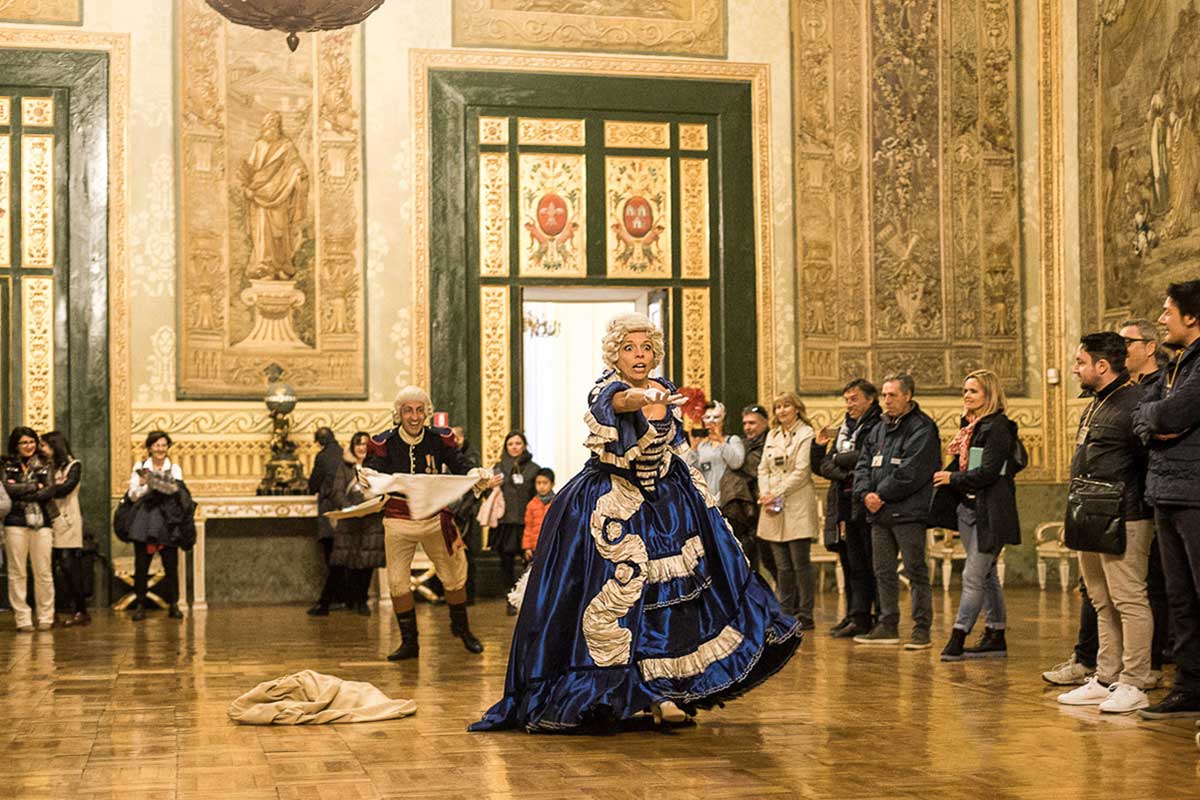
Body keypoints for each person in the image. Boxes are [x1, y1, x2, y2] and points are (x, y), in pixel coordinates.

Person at [470, 313, 801, 732]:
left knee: (673, 603)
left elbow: (676, 445)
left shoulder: (667, 389)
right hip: (611, 504)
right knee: (617, 602)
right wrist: (643, 399)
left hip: (667, 503)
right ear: (615, 353)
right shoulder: (607, 388)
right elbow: (618, 403)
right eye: (629, 348)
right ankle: (618, 693)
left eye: (645, 348)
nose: (639, 355)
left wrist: (700, 498)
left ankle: (663, 691)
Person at [365, 386, 499, 661]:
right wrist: (367, 478)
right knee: (398, 582)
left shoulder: (439, 440)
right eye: (408, 410)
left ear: (426, 412)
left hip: (435, 519)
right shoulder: (385, 443)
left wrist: (476, 474)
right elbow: (372, 473)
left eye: (419, 410)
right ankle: (409, 642)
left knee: (454, 575)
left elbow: (460, 465)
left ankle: (461, 629)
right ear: (398, 414)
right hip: (398, 520)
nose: (414, 417)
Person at [1057, 332, 1153, 713]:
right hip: (1089, 513)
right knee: (1101, 600)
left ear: (1102, 365)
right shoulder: (1097, 402)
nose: (1075, 368)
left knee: (1129, 598)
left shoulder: (1135, 402)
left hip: (1125, 514)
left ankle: (1135, 680)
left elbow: (1146, 462)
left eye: (1081, 362)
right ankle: (1106, 676)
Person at [1134, 280, 1200, 719]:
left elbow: (1175, 413)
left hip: (1195, 493)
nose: (1161, 320)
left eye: (1167, 312)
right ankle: (1190, 686)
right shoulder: (1173, 366)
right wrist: (1156, 421)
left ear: (1191, 316)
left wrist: (1160, 419)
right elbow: (1143, 414)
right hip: (1164, 490)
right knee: (1179, 599)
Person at [931, 370, 1021, 661]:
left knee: (972, 575)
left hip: (990, 513)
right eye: (965, 391)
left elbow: (988, 472)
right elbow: (963, 465)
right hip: (967, 511)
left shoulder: (999, 428)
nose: (967, 396)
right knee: (988, 574)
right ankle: (996, 633)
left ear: (989, 395)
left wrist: (952, 478)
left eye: (974, 391)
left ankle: (958, 635)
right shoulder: (967, 427)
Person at [852, 374, 940, 649]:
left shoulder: (923, 428)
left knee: (915, 571)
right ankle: (888, 625)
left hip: (908, 512)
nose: (886, 400)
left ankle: (921, 628)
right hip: (878, 514)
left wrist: (881, 494)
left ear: (907, 396)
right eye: (884, 395)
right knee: (883, 571)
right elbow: (863, 464)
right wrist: (865, 493)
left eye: (892, 395)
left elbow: (913, 471)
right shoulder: (878, 429)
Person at [1120, 318, 1172, 682]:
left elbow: (1150, 434)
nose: (1121, 349)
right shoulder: (1125, 387)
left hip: (1152, 496)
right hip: (1131, 496)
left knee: (1153, 586)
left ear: (1149, 347)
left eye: (1127, 342)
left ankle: (1151, 664)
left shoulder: (1163, 384)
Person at [812, 379, 883, 638]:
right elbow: (823, 465)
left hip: (865, 502)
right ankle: (856, 614)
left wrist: (837, 461)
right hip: (844, 502)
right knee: (852, 562)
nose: (849, 404)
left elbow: (866, 457)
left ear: (870, 400)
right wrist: (840, 466)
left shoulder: (877, 425)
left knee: (869, 563)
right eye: (846, 399)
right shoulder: (845, 428)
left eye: (854, 399)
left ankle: (875, 616)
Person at [756, 391, 820, 631]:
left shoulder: (806, 434)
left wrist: (777, 492)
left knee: (800, 562)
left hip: (796, 504)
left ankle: (806, 613)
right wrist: (765, 493)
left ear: (797, 408)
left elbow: (801, 472)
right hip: (772, 505)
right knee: (781, 564)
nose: (781, 411)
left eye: (786, 406)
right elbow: (763, 468)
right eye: (778, 407)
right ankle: (786, 610)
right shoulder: (772, 435)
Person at [127, 431, 192, 621]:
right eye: (156, 445)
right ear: (149, 448)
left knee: (171, 565)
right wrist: (147, 485)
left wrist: (152, 481)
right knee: (141, 565)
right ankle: (140, 604)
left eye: (164, 445)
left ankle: (173, 604)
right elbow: (133, 495)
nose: (160, 449)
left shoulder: (175, 468)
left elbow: (174, 490)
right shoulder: (139, 467)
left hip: (167, 522)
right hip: (145, 521)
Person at [326, 431, 385, 615]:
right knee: (349, 561)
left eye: (365, 444)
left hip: (372, 522)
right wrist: (349, 508)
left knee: (367, 562)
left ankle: (362, 600)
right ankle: (350, 600)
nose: (362, 448)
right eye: (358, 444)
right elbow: (337, 491)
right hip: (350, 522)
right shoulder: (344, 467)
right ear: (353, 447)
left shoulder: (377, 467)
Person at [3, 427, 55, 632]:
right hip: (15, 520)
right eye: (24, 443)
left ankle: (45, 616)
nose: (29, 446)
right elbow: (7, 489)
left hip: (42, 522)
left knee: (43, 571)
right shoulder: (7, 465)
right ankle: (22, 618)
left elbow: (49, 490)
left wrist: (22, 489)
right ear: (16, 445)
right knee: (17, 572)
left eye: (32, 442)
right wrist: (35, 486)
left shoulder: (46, 464)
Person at [42, 431, 90, 627]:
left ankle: (81, 610)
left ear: (54, 446)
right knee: (48, 568)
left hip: (67, 520)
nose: (41, 449)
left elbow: (65, 489)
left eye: (44, 445)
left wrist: (43, 488)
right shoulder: (45, 466)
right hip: (47, 520)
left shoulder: (74, 466)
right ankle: (50, 611)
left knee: (69, 566)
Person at [491, 431, 541, 613]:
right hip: (504, 523)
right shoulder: (497, 468)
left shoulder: (534, 469)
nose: (514, 447)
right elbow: (489, 495)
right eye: (510, 444)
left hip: (526, 523)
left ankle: (527, 599)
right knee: (506, 563)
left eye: (518, 443)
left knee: (529, 564)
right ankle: (510, 600)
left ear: (524, 445)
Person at [719, 404, 769, 576]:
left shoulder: (770, 442)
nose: (747, 427)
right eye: (745, 423)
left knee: (770, 559)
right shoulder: (743, 443)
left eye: (752, 423)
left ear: (765, 422)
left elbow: (754, 466)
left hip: (759, 504)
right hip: (741, 506)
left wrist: (736, 461)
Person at [308, 427, 346, 616]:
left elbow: (314, 483)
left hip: (329, 508)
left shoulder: (323, 457)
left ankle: (329, 601)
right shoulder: (345, 453)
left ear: (320, 441)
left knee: (331, 555)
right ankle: (345, 598)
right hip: (345, 510)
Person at [685, 401, 746, 508]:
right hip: (707, 500)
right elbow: (692, 471)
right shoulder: (702, 446)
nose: (711, 421)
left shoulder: (732, 440)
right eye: (707, 417)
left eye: (716, 417)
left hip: (728, 499)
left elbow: (736, 463)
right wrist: (693, 448)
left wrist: (720, 441)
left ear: (723, 420)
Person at [449, 426, 484, 604]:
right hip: (449, 512)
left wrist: (462, 512)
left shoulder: (471, 457)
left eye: (456, 437)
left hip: (465, 514)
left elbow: (474, 489)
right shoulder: (447, 455)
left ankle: (468, 595)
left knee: (466, 555)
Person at [522, 467, 555, 561]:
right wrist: (527, 547)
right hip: (535, 546)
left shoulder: (556, 503)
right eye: (538, 483)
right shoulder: (532, 504)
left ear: (552, 484)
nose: (541, 486)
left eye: (545, 483)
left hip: (551, 545)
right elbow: (528, 527)